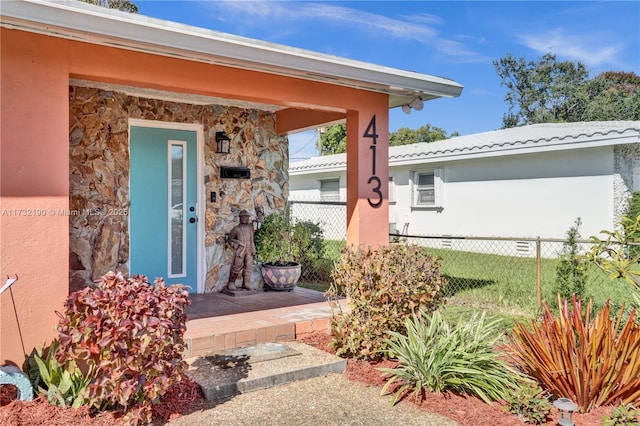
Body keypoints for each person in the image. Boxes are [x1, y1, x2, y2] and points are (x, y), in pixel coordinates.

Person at [226, 209, 256, 291]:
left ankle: (246, 283)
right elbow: (230, 239)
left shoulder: (251, 227)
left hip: (249, 250)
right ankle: (231, 282)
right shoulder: (236, 229)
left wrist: (259, 211)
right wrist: (237, 243)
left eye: (246, 217)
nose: (245, 218)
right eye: (243, 217)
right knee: (236, 266)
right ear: (240, 218)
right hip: (241, 250)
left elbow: (259, 222)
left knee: (248, 266)